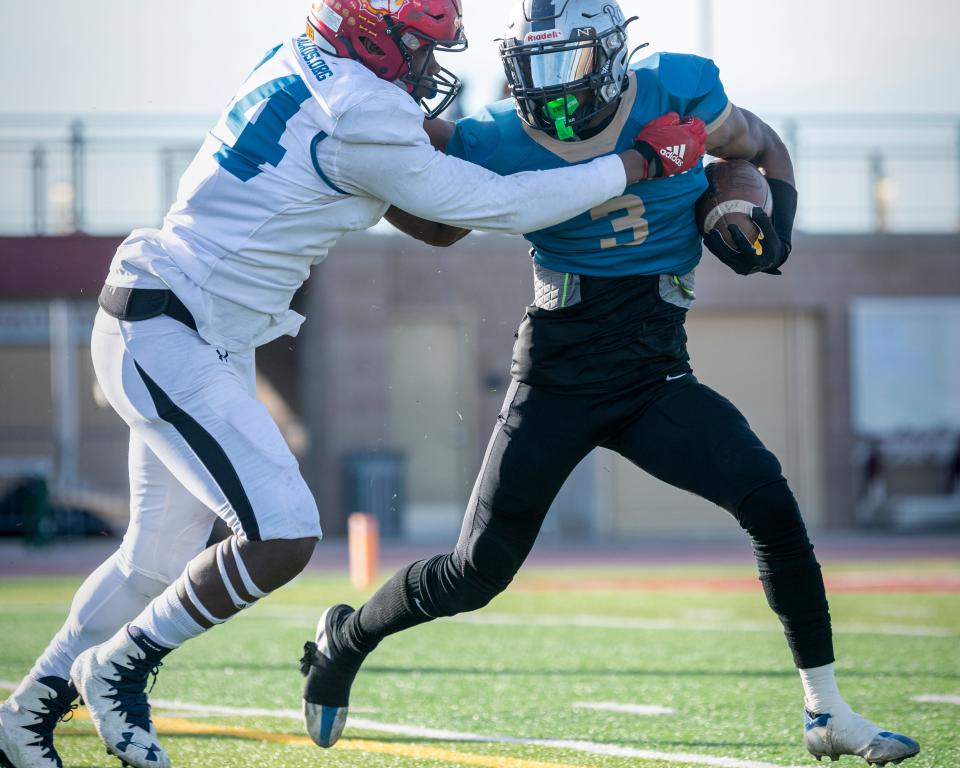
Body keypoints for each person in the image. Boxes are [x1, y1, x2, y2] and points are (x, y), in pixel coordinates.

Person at [0, 1, 704, 766]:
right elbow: (494, 208)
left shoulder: (299, 62)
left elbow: (436, 221)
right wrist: (634, 165)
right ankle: (119, 668)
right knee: (282, 533)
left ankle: (25, 715)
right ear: (371, 30)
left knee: (152, 561)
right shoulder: (362, 108)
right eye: (417, 44)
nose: (428, 67)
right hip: (173, 330)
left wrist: (453, 171)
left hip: (182, 323)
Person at [299, 1, 921, 765]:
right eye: (539, 64)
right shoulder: (497, 135)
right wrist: (355, 162)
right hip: (558, 372)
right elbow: (437, 216)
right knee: (474, 574)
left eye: (571, 63)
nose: (554, 88)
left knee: (769, 500)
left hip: (654, 370)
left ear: (615, 54)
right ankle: (347, 637)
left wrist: (767, 228)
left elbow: (760, 147)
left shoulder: (680, 89)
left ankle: (825, 710)